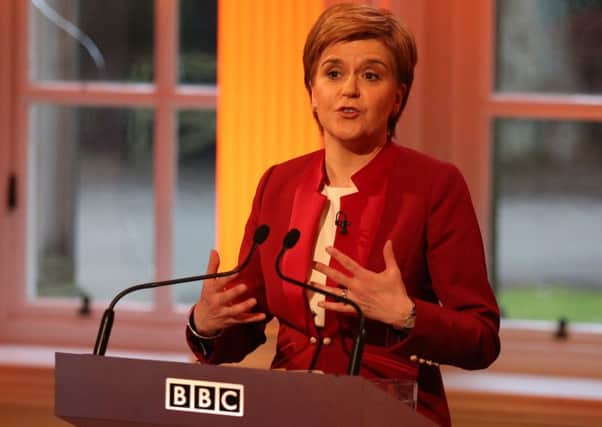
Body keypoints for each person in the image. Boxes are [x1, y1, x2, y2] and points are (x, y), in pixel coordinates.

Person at [186, 3, 500, 426]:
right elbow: (244, 324)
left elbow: (481, 338)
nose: (349, 89)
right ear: (312, 92)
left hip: (394, 414)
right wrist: (206, 325)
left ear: (397, 97)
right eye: (333, 73)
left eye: (371, 75)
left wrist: (407, 314)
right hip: (288, 411)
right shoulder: (278, 183)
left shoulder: (434, 185)